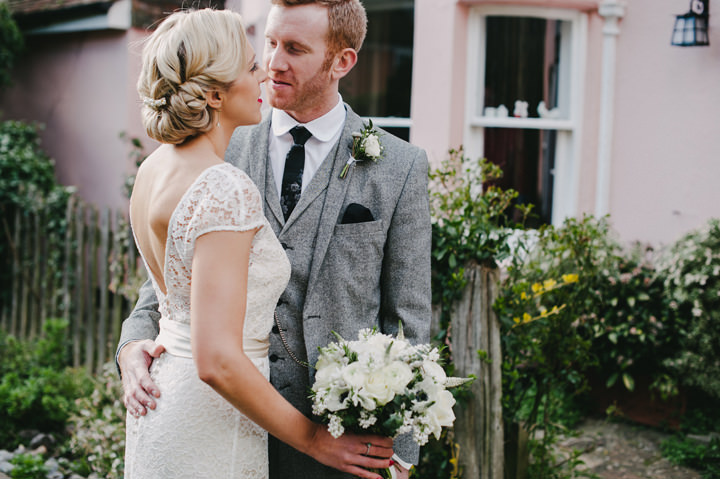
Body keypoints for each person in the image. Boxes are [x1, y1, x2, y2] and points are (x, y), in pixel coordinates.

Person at [118, 1, 432, 478]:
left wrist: (399, 456)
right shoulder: (218, 144)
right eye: (267, 44)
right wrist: (132, 346)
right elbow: (166, 280)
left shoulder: (399, 166)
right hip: (220, 422)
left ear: (342, 62)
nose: (272, 63)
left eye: (295, 48)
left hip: (339, 443)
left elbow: (409, 319)